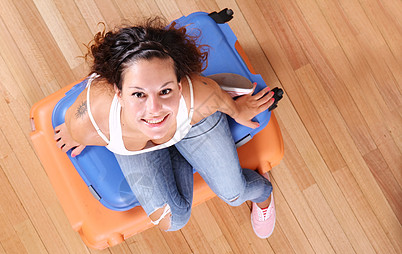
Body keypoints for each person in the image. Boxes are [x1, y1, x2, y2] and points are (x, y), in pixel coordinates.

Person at [54, 18, 276, 238]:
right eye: (138, 94)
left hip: (190, 122)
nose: (154, 109)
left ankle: (264, 194)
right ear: (119, 94)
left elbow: (218, 97)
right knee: (172, 221)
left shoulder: (197, 95)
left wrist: (237, 111)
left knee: (235, 195)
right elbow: (81, 122)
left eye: (165, 91)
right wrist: (79, 132)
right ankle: (177, 148)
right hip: (145, 134)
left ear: (179, 86)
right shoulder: (89, 123)